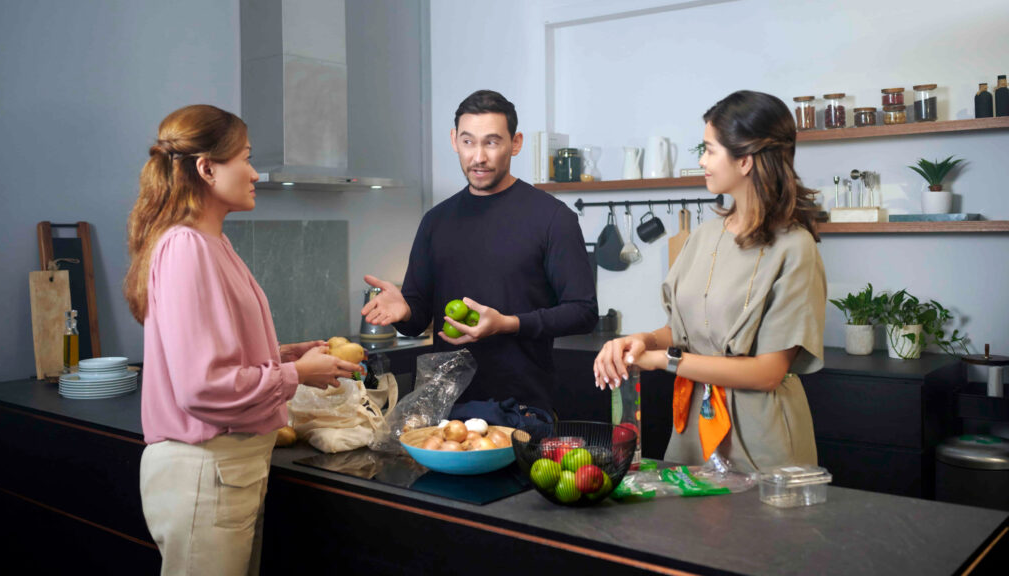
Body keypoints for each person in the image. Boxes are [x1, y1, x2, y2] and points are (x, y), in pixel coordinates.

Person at [123, 104, 362, 576]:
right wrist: (296, 374)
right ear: (207, 168)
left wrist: (282, 356)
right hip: (204, 470)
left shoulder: (213, 243)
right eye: (246, 158)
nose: (255, 172)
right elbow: (202, 386)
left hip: (226, 471)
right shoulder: (186, 247)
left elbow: (214, 355)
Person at [593, 90, 826, 473]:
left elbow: (768, 372)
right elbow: (685, 330)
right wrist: (643, 341)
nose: (701, 161)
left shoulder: (794, 247)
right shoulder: (704, 236)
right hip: (691, 432)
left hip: (760, 438)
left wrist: (663, 361)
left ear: (746, 160)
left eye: (709, 149)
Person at [361, 89, 598, 412]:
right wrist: (403, 311)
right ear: (454, 140)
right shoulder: (436, 221)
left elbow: (583, 311)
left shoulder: (552, 218)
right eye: (468, 141)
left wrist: (507, 323)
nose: (478, 157)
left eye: (492, 142)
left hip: (523, 411)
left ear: (515, 143)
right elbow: (417, 319)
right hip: (447, 411)